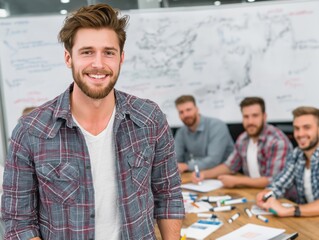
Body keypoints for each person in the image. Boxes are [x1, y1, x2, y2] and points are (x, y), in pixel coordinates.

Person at [1, 4, 184, 240]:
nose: (98, 63)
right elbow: (19, 223)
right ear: (69, 58)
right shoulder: (30, 130)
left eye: (109, 52)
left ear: (121, 58)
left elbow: (167, 194)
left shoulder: (150, 119)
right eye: (87, 52)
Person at [192, 97, 293, 188]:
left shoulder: (277, 141)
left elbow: (272, 180)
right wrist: (203, 174)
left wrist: (237, 181)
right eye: (246, 117)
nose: (250, 122)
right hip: (253, 192)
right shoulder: (243, 138)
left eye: (255, 116)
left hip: (281, 199)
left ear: (264, 116)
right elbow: (229, 166)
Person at [256, 106, 319, 217]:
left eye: (307, 127)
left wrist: (290, 210)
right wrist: (267, 194)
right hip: (309, 222)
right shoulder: (297, 154)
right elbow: (280, 184)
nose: (300, 134)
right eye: (296, 128)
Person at [174, 95, 234, 173]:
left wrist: (186, 166)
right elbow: (175, 159)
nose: (185, 115)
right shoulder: (181, 132)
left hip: (223, 174)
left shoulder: (217, 126)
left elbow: (213, 160)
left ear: (197, 109)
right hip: (197, 175)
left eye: (188, 110)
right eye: (181, 112)